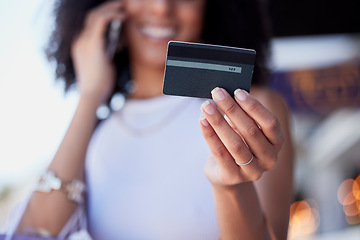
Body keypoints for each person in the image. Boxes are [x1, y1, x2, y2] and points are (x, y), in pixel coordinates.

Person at [9, 0, 294, 239]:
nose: (161, 8)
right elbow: (35, 233)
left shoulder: (250, 110)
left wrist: (231, 188)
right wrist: (90, 94)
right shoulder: (95, 132)